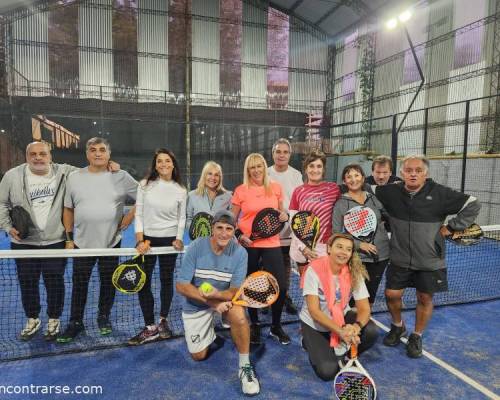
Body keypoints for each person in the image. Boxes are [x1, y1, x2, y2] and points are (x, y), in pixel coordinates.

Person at [374, 155, 480, 358]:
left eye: (418, 170)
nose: (413, 174)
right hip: (399, 257)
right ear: (402, 173)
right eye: (409, 170)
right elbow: (365, 191)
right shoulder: (390, 191)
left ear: (426, 173)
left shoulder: (440, 193)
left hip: (430, 259)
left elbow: (473, 204)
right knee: (391, 294)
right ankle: (398, 325)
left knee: (425, 297)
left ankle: (416, 334)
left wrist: (452, 227)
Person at [57, 137, 137, 343]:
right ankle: (76, 322)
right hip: (82, 244)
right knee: (79, 284)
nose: (98, 153)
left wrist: (130, 215)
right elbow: (68, 209)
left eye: (102, 150)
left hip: (111, 242)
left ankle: (103, 317)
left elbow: (145, 195)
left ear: (109, 154)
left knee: (108, 283)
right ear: (87, 154)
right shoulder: (74, 177)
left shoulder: (121, 176)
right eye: (93, 150)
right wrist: (68, 238)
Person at [176, 210, 260, 396]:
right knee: (199, 356)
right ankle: (210, 333)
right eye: (219, 227)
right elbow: (181, 286)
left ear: (234, 230)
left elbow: (235, 290)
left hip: (224, 300)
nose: (224, 233)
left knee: (239, 316)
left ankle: (245, 366)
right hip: (197, 305)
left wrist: (219, 294)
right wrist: (214, 304)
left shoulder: (240, 253)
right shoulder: (197, 246)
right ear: (212, 228)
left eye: (229, 229)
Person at [0, 141, 77, 341]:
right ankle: (32, 318)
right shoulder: (12, 176)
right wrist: (8, 227)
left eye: (42, 153)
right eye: (33, 154)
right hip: (24, 243)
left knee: (55, 282)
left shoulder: (65, 172)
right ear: (27, 157)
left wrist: (112, 166)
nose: (38, 157)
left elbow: (93, 171)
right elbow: (1, 202)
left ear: (50, 155)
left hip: (55, 241)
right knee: (27, 283)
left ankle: (54, 319)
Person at [300, 233, 378, 381]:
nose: (343, 252)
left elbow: (364, 308)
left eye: (348, 249)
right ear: (329, 248)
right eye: (339, 247)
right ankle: (308, 342)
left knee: (371, 331)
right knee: (328, 372)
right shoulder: (313, 269)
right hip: (315, 324)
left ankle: (346, 355)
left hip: (341, 318)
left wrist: (355, 328)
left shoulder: (354, 271)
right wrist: (341, 331)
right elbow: (314, 311)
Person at [128, 148, 187, 345]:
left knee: (166, 280)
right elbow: (139, 214)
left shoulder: (181, 189)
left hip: (169, 241)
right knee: (142, 282)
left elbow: (182, 217)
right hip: (147, 241)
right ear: (155, 164)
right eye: (159, 161)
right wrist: (139, 240)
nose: (163, 164)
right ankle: (150, 327)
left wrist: (179, 238)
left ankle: (163, 321)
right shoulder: (144, 185)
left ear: (173, 164)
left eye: (167, 161)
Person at [232, 153, 290, 345]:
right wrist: (240, 236)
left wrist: (285, 216)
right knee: (250, 287)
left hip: (272, 244)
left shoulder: (275, 188)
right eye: (252, 167)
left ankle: (275, 325)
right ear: (247, 170)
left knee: (280, 286)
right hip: (248, 246)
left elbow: (281, 214)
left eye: (259, 166)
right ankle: (255, 324)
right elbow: (231, 220)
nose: (256, 170)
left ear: (265, 167)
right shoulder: (241, 190)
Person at [332, 163, 390, 305]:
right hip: (358, 259)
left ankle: (361, 325)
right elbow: (337, 233)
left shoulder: (372, 198)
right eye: (349, 177)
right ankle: (350, 324)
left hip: (382, 255)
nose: (353, 179)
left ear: (363, 178)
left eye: (357, 175)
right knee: (357, 296)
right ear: (344, 181)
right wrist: (359, 244)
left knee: (370, 295)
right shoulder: (341, 204)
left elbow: (384, 215)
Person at [289, 150, 341, 273]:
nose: (315, 170)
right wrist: (303, 248)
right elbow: (293, 221)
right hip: (302, 247)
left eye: (319, 166)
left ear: (323, 169)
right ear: (306, 169)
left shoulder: (333, 189)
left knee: (324, 286)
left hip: (324, 246)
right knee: (306, 285)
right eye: (311, 166)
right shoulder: (298, 191)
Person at [267, 138, 303, 315]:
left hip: (289, 230)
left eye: (285, 152)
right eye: (278, 151)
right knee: (266, 266)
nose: (281, 155)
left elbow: (299, 202)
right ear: (272, 154)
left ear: (290, 155)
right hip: (268, 231)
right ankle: (268, 296)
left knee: (286, 265)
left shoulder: (296, 175)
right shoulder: (265, 173)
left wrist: (288, 217)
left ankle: (285, 295)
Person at [186, 161, 232, 235]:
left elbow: (231, 221)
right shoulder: (192, 195)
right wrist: (196, 233)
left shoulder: (228, 196)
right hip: (199, 240)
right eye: (209, 174)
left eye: (216, 175)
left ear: (220, 178)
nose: (213, 178)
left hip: (221, 240)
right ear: (204, 176)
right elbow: (189, 219)